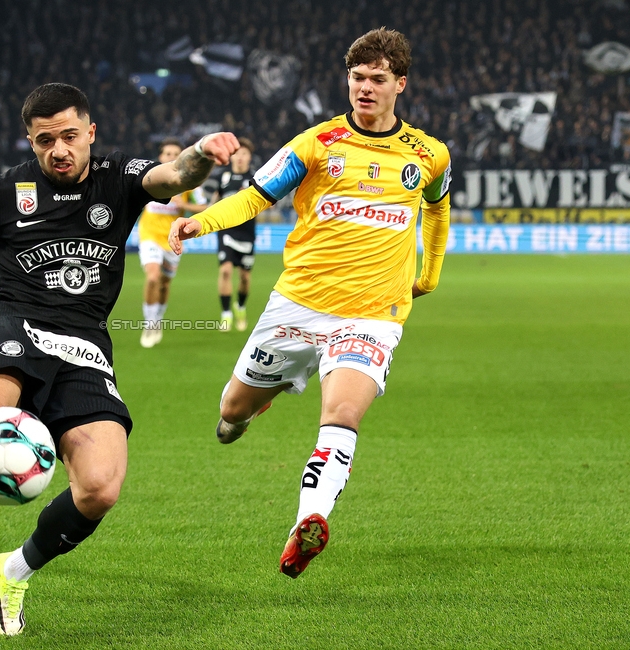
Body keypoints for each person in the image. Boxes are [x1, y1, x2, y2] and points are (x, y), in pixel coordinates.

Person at [0, 83, 237, 636]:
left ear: (90, 133)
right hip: (15, 323)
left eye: (69, 136)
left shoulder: (118, 175)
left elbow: (174, 177)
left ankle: (13, 569)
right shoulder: (0, 192)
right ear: (31, 141)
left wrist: (203, 151)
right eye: (46, 141)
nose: (59, 149)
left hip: (85, 344)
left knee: (100, 488)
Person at [169, 28, 451, 578]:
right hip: (297, 307)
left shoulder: (427, 154)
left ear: (401, 84)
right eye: (357, 78)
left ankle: (309, 521)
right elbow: (254, 195)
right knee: (231, 412)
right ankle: (255, 404)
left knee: (342, 413)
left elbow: (438, 211)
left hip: (373, 313)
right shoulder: (315, 144)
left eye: (377, 79)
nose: (365, 88)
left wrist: (430, 273)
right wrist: (201, 221)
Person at [135, 138, 208, 348]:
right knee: (152, 277)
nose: (171, 157)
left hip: (172, 238)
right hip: (149, 234)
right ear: (160, 157)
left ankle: (157, 320)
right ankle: (149, 324)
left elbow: (204, 206)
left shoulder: (189, 182)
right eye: (167, 153)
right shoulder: (149, 177)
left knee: (165, 284)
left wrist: (184, 204)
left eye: (175, 153)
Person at [213, 138, 258, 332]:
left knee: (245, 278)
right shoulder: (222, 178)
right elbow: (213, 202)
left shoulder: (256, 179)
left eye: (244, 154)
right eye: (237, 154)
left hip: (247, 233)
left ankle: (240, 306)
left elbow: (263, 205)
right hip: (226, 230)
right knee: (225, 270)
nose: (240, 158)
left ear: (249, 157)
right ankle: (226, 314)